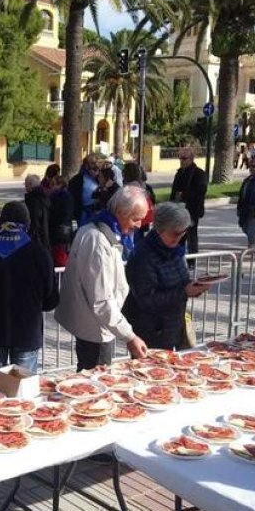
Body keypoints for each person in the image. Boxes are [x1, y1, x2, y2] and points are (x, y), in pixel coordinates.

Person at [55, 186, 150, 370]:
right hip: (95, 329)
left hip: (96, 325)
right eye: (136, 219)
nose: (139, 225)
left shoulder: (97, 229)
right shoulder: (98, 240)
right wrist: (130, 337)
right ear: (121, 212)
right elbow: (102, 301)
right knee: (94, 385)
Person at [0, 201, 58, 386]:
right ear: (28, 222)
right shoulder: (39, 253)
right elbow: (50, 298)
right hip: (26, 331)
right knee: (23, 392)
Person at [123, 203, 209, 350]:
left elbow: (180, 281)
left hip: (172, 326)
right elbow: (145, 300)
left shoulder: (174, 250)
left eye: (183, 233)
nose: (180, 237)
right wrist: (185, 292)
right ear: (160, 229)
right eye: (175, 233)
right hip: (152, 331)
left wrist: (196, 286)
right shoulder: (143, 256)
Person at [171, 148, 208, 254]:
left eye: (184, 158)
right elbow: (174, 191)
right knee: (178, 235)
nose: (181, 161)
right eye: (180, 158)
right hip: (178, 209)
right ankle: (178, 257)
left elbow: (200, 191)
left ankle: (192, 260)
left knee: (191, 235)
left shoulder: (199, 173)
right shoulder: (179, 173)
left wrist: (184, 194)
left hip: (192, 209)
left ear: (191, 158)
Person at [237, 158, 255, 249]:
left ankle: (252, 247)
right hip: (245, 208)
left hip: (254, 208)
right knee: (244, 227)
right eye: (250, 166)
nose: (251, 168)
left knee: (252, 228)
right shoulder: (247, 180)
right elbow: (242, 194)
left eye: (254, 166)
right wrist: (239, 207)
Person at [47, 167, 74, 267]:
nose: (51, 188)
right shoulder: (57, 196)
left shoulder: (63, 197)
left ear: (61, 185)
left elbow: (63, 215)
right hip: (59, 230)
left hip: (61, 232)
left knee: (60, 256)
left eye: (54, 185)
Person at [70, 154, 103, 226]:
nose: (96, 166)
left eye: (97, 163)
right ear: (86, 165)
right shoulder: (77, 179)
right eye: (92, 163)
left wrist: (98, 178)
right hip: (83, 213)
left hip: (98, 211)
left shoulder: (102, 177)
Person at [23, 174, 51, 253]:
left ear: (30, 185)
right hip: (45, 234)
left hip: (37, 236)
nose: (25, 187)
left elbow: (34, 219)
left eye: (26, 184)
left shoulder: (33, 200)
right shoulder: (44, 196)